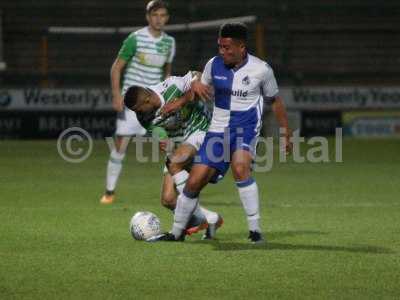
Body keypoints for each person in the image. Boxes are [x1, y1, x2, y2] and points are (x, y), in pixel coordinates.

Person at [149, 22, 292, 243]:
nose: (222, 52)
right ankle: (176, 234)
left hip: (245, 129)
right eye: (220, 47)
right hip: (216, 131)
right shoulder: (213, 65)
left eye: (227, 47)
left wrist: (286, 133)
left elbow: (276, 102)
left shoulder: (261, 69)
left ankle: (255, 232)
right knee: (195, 181)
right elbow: (198, 90)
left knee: (241, 167)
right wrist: (180, 101)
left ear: (241, 47)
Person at [124, 71, 223, 239]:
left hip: (201, 130)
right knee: (168, 199)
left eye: (139, 109)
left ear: (147, 100)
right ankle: (207, 219)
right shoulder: (144, 117)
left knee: (176, 162)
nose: (138, 114)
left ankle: (185, 228)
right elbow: (161, 134)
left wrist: (180, 101)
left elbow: (197, 76)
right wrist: (164, 142)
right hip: (179, 144)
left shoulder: (171, 86)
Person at [100, 0, 176, 204]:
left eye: (163, 15)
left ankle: (178, 187)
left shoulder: (169, 42)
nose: (159, 19)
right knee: (121, 145)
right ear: (148, 17)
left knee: (169, 145)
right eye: (155, 15)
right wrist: (117, 96)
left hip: (154, 104)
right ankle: (109, 191)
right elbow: (116, 68)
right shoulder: (135, 39)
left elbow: (167, 74)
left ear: (167, 18)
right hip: (133, 103)